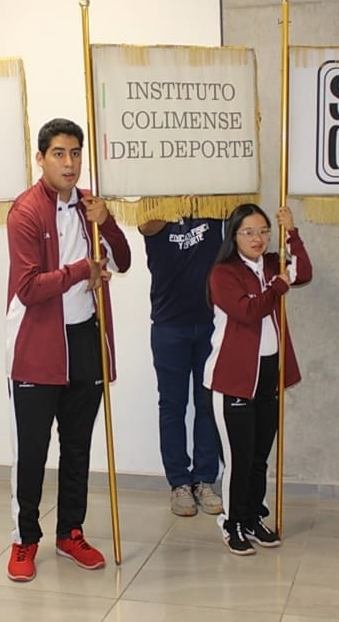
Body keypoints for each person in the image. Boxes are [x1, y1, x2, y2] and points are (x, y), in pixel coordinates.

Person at [5, 118, 131, 582]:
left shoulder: (90, 205)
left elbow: (123, 260)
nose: (69, 163)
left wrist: (107, 222)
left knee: (77, 447)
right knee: (32, 452)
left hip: (84, 340)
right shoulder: (24, 212)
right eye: (59, 153)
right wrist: (82, 269)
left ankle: (70, 532)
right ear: (40, 158)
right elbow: (28, 287)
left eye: (76, 153)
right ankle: (24, 538)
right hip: (37, 344)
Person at [204, 203, 312, 555]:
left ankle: (252, 517)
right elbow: (248, 312)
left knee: (259, 457)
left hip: (268, 376)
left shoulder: (272, 264)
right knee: (239, 458)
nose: (258, 238)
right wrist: (277, 287)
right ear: (234, 236)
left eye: (264, 231)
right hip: (232, 378)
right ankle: (232, 522)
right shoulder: (223, 273)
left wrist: (291, 231)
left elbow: (304, 271)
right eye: (248, 232)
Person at [139, 217, 225, 517]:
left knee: (207, 403)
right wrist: (172, 199)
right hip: (168, 325)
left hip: (210, 322)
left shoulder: (212, 208)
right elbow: (146, 226)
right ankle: (179, 483)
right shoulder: (155, 210)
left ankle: (204, 480)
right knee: (172, 405)